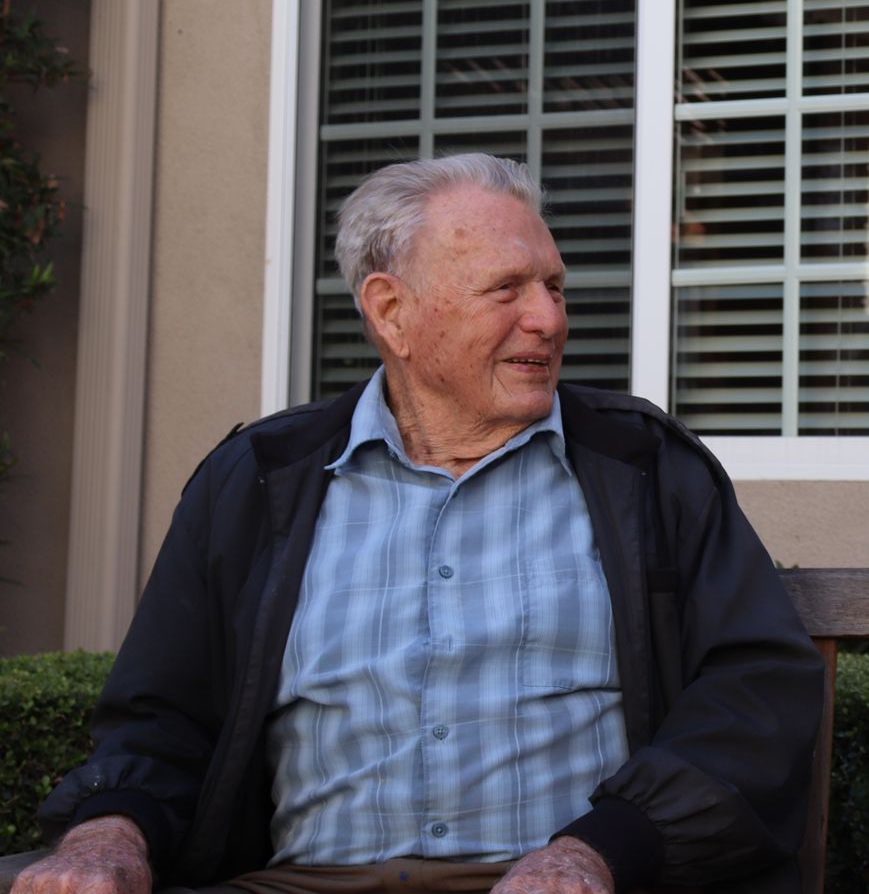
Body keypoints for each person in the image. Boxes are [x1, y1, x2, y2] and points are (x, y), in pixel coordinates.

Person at [17, 155, 823, 894]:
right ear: (391, 311)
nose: (547, 318)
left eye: (555, 287)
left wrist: (597, 850)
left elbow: (754, 692)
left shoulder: (644, 469)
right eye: (506, 289)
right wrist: (106, 839)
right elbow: (162, 717)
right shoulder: (258, 481)